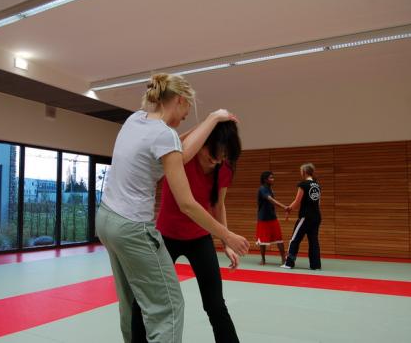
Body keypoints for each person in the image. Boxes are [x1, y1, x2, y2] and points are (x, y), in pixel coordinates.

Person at [96, 73, 250, 343]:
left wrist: (209, 122)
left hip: (107, 219)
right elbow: (187, 202)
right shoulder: (169, 141)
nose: (185, 116)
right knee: (168, 307)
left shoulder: (136, 119)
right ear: (179, 100)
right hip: (144, 230)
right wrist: (228, 236)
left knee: (136, 297)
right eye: (186, 109)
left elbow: (172, 142)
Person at [132, 120, 244, 343]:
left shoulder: (223, 169)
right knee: (144, 299)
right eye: (211, 156)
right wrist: (213, 118)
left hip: (199, 238)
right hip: (166, 236)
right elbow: (173, 141)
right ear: (201, 144)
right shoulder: (181, 156)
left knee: (215, 305)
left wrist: (226, 242)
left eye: (220, 158)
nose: (214, 162)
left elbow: (218, 205)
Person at [281, 163, 322, 270]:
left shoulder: (303, 184)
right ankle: (315, 265)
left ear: (304, 172)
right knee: (314, 241)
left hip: (305, 217)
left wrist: (288, 209)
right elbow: (318, 203)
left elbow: (297, 201)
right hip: (316, 217)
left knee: (294, 239)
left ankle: (289, 263)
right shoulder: (317, 185)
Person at [256, 171, 287, 265]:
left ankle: (284, 259)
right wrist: (284, 206)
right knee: (262, 241)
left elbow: (271, 204)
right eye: (270, 178)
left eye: (273, 177)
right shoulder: (262, 189)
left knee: (279, 239)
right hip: (263, 219)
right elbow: (271, 200)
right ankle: (263, 259)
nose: (273, 179)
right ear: (265, 180)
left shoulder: (270, 189)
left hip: (273, 218)